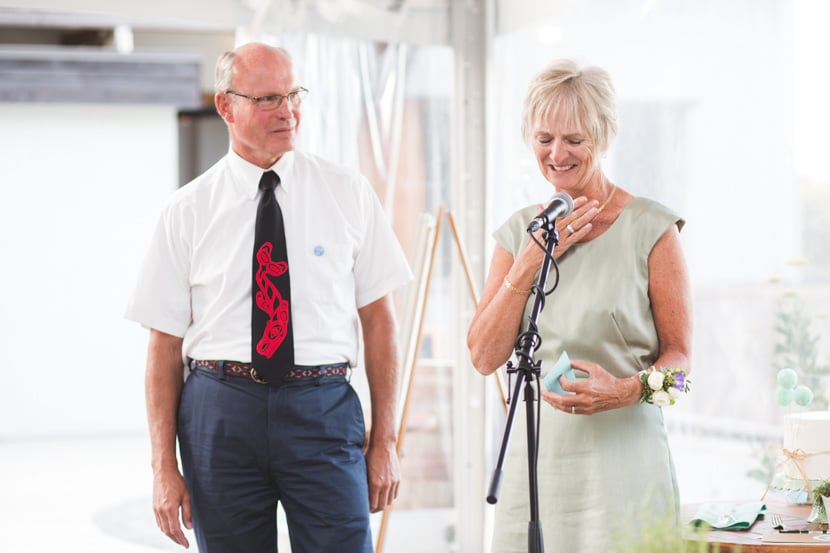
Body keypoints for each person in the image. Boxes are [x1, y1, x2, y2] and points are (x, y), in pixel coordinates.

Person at [125, 42, 412, 552]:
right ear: (225, 106)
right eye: (268, 100)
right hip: (220, 411)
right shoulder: (187, 210)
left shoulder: (347, 192)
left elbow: (380, 320)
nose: (288, 111)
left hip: (322, 408)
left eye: (293, 94)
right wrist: (163, 467)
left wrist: (385, 441)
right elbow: (163, 347)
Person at [467, 59, 692, 552]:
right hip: (538, 464)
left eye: (574, 138)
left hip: (624, 463)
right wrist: (525, 265)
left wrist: (625, 390)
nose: (557, 153)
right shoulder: (518, 233)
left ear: (603, 136)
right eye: (544, 138)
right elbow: (484, 357)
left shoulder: (651, 229)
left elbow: (682, 371)